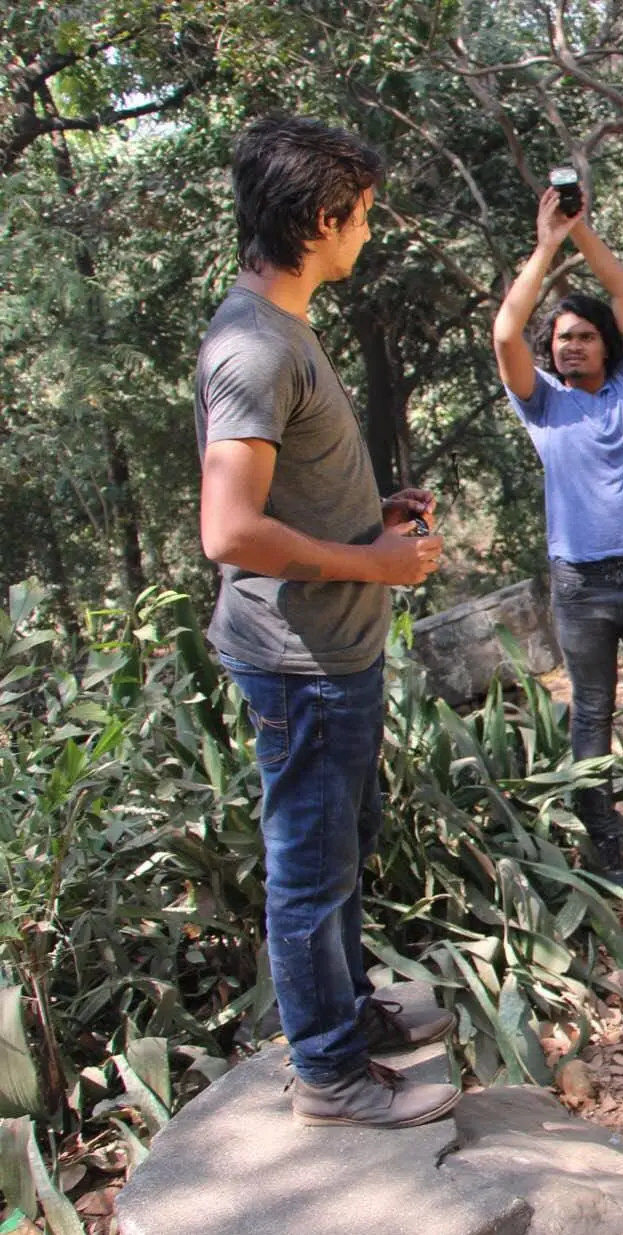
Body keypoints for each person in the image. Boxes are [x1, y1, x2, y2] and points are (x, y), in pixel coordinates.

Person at [196, 118, 457, 1128]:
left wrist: (372, 520)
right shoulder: (255, 348)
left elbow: (286, 497)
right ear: (321, 219)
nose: (370, 229)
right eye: (363, 214)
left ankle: (346, 1013)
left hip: (335, 647)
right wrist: (375, 563)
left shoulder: (285, 330)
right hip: (297, 659)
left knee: (344, 840)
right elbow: (229, 527)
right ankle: (328, 1075)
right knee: (309, 866)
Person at [492, 184, 623, 871]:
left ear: (605, 344)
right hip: (579, 585)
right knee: (592, 714)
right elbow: (504, 333)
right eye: (560, 339)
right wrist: (546, 243)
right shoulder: (541, 404)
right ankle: (603, 832)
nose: (569, 346)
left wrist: (582, 233)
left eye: (583, 336)